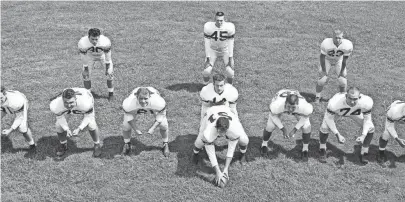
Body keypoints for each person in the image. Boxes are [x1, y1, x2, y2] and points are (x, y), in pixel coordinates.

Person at [192, 105, 249, 187]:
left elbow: (231, 149)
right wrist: (218, 171)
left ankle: (243, 153)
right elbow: (211, 153)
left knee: (244, 140)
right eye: (220, 130)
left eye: (224, 131)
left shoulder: (234, 129)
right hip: (211, 112)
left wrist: (226, 169)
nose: (222, 133)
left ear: (228, 128)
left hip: (227, 110)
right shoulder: (209, 131)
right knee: (199, 142)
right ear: (216, 127)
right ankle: (195, 153)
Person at [318, 87, 374, 165]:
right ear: (345, 96)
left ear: (359, 97)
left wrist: (363, 135)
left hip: (354, 113)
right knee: (325, 127)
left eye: (355, 99)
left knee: (370, 129)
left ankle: (364, 152)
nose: (352, 101)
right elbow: (329, 119)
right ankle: (322, 148)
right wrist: (337, 134)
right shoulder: (335, 103)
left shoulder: (366, 102)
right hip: (338, 112)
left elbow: (367, 120)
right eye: (350, 98)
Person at [261, 89, 313, 161]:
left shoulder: (305, 107)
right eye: (288, 107)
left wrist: (295, 129)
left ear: (297, 104)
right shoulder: (277, 106)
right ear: (285, 103)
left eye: (293, 107)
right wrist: (283, 129)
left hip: (296, 102)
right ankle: (264, 144)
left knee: (306, 127)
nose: (291, 110)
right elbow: (273, 117)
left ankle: (305, 149)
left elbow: (305, 118)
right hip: (281, 93)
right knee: (270, 126)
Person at [49, 88, 102, 157]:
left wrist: (79, 128)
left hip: (84, 97)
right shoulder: (56, 105)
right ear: (62, 100)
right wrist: (66, 129)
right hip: (68, 104)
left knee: (92, 124)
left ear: (75, 99)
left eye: (71, 102)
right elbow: (60, 117)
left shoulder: (86, 103)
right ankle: (63, 144)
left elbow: (89, 117)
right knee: (58, 126)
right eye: (66, 102)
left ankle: (97, 144)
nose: (69, 105)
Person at [121, 87, 170, 157]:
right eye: (141, 98)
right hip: (134, 108)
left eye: (145, 98)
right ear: (136, 97)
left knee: (163, 125)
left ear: (149, 97)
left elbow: (161, 116)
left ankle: (165, 143)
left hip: (153, 106)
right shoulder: (129, 104)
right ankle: (127, 144)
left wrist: (153, 128)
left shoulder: (158, 103)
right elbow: (128, 117)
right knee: (126, 126)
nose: (143, 101)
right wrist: (136, 130)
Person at [315, 29, 353, 103]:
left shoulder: (347, 45)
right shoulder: (326, 43)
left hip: (339, 60)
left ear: (343, 37)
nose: (338, 39)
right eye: (336, 37)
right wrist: (324, 70)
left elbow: (345, 59)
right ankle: (317, 97)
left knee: (343, 81)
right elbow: (322, 57)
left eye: (339, 38)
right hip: (327, 59)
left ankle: (342, 99)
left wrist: (342, 72)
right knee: (322, 79)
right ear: (332, 37)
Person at [78, 28, 114, 101]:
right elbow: (83, 57)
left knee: (110, 74)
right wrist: (85, 68)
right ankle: (88, 95)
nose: (94, 41)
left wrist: (107, 68)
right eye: (92, 39)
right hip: (90, 56)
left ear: (99, 37)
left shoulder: (105, 41)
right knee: (86, 76)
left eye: (96, 39)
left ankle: (111, 94)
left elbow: (108, 56)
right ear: (88, 37)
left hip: (102, 55)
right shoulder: (83, 43)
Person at [203, 12, 235, 84]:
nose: (219, 22)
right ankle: (206, 86)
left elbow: (231, 42)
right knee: (206, 71)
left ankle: (230, 87)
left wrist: (231, 57)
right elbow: (207, 42)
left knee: (230, 72)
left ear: (224, 19)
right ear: (215, 19)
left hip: (225, 50)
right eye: (218, 20)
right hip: (213, 50)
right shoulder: (209, 27)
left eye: (221, 20)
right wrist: (207, 57)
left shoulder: (229, 27)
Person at [1, 86, 36, 150]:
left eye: (0, 98)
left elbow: (20, 117)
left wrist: (9, 130)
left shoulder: (15, 103)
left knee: (23, 128)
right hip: (8, 104)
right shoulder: (3, 98)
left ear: (4, 93)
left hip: (21, 105)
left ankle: (32, 145)